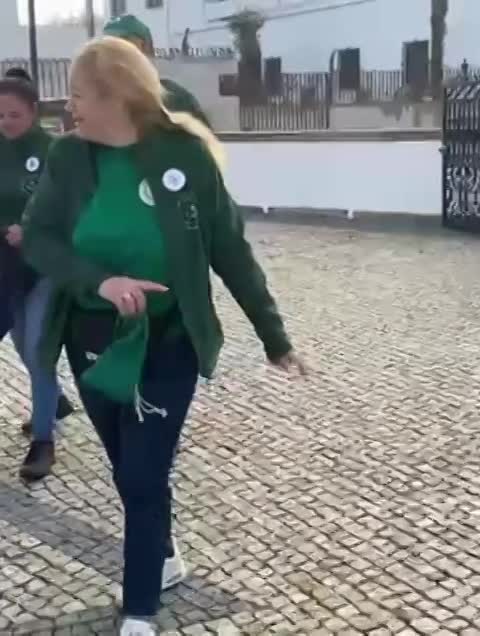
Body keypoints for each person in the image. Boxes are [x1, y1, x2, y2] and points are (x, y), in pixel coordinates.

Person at [22, 37, 303, 636]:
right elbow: (39, 238)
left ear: (116, 96)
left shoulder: (185, 156)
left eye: (78, 95)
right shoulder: (68, 157)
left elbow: (230, 250)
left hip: (169, 339)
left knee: (144, 475)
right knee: (129, 467)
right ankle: (164, 553)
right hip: (92, 340)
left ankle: (140, 610)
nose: (68, 107)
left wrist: (274, 336)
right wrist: (100, 282)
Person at [0, 74, 74, 481]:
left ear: (33, 112)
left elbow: (69, 209)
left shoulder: (55, 153)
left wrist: (31, 230)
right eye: (0, 115)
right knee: (23, 349)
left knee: (38, 351)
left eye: (14, 114)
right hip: (6, 269)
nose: (6, 122)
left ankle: (43, 442)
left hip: (44, 267)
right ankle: (55, 400)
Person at [102, 14, 210, 127]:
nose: (114, 53)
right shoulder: (95, 101)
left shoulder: (176, 99)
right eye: (106, 46)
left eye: (124, 43)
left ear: (146, 49)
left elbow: (203, 136)